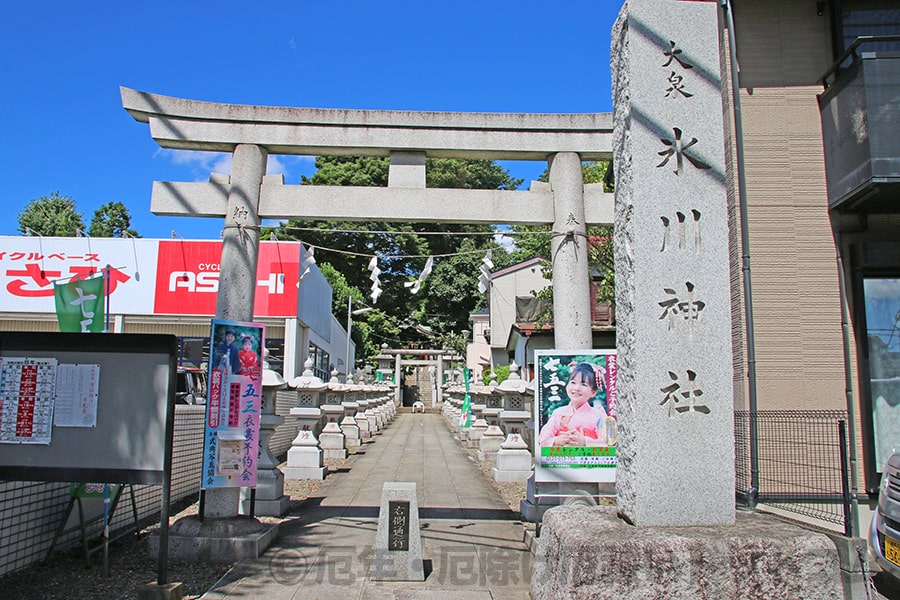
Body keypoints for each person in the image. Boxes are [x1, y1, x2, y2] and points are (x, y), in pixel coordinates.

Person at [539, 362, 609, 447]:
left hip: (588, 459)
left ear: (593, 392)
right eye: (573, 382)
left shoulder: (599, 415)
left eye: (584, 384)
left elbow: (607, 443)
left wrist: (585, 442)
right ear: (567, 386)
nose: (576, 388)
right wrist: (556, 441)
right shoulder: (558, 413)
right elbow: (543, 440)